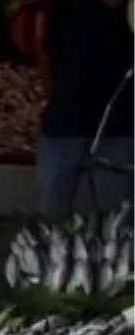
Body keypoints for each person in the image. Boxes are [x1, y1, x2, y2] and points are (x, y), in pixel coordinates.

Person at [37, 0, 135, 219]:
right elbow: (46, 53)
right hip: (64, 127)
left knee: (115, 220)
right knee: (50, 216)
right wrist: (57, 95)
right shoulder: (69, 8)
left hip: (121, 131)